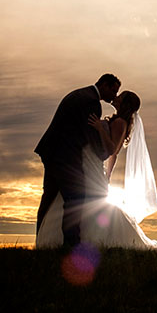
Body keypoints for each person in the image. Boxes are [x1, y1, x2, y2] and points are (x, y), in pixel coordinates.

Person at [36, 90, 157, 251]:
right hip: (92, 164)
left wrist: (99, 127)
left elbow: (112, 150)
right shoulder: (118, 121)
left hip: (92, 165)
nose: (116, 97)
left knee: (88, 203)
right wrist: (108, 174)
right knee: (83, 201)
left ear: (124, 104)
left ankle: (93, 238)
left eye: (120, 97)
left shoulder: (120, 123)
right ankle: (74, 239)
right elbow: (113, 156)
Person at [34, 74, 121, 247]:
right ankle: (71, 244)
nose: (114, 96)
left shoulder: (79, 94)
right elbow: (89, 134)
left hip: (51, 152)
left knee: (49, 198)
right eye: (113, 90)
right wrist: (102, 154)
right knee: (76, 198)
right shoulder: (91, 103)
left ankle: (40, 241)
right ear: (103, 85)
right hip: (66, 156)